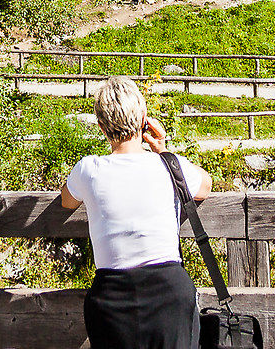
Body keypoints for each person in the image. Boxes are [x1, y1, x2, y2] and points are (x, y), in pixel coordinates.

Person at [59, 78, 208, 349]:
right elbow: (204, 186)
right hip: (169, 294)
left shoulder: (89, 169)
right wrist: (163, 149)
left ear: (102, 126)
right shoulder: (167, 165)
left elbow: (67, 201)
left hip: (111, 299)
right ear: (143, 120)